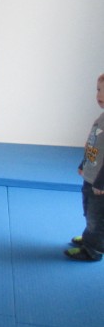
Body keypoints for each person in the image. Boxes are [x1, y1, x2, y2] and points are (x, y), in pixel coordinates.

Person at [65, 73, 104, 262]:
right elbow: (93, 144)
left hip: (100, 184)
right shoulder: (101, 118)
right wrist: (84, 163)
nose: (99, 95)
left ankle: (93, 250)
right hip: (91, 176)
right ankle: (90, 238)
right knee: (89, 211)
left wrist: (101, 183)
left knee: (97, 217)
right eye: (98, 89)